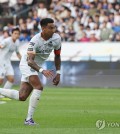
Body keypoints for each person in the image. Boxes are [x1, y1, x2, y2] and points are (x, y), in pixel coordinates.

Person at [0, 18, 61, 125]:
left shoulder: (57, 38)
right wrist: (42, 71)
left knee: (22, 96)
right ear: (43, 28)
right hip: (27, 64)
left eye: (54, 27)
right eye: (51, 28)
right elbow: (30, 61)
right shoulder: (35, 40)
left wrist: (59, 72)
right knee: (39, 87)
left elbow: (57, 55)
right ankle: (28, 119)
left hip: (36, 66)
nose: (53, 30)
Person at [0, 28, 21, 98]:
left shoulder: (17, 42)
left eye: (18, 34)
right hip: (1, 62)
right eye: (15, 33)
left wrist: (23, 61)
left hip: (7, 62)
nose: (16, 35)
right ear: (11, 34)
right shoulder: (7, 41)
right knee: (0, 81)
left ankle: (3, 95)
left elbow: (18, 53)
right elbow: (1, 45)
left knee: (11, 79)